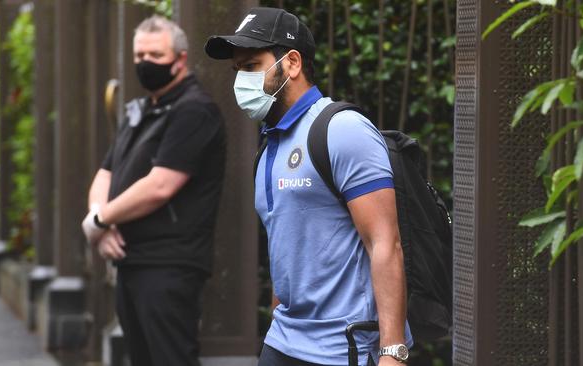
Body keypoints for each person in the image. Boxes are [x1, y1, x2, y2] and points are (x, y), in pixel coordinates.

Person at [205, 7, 412, 366]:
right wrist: (275, 325)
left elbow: (385, 242)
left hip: (342, 347)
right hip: (283, 342)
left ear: (293, 63)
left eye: (252, 66)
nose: (241, 80)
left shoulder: (343, 130)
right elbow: (284, 246)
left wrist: (392, 353)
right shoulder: (270, 145)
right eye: (237, 69)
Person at [81, 15, 226, 366]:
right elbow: (106, 172)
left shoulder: (195, 110)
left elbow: (161, 185)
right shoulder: (144, 109)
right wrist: (99, 223)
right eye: (139, 56)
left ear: (181, 59)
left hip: (169, 265)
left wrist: (100, 220)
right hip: (132, 261)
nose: (146, 63)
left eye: (155, 56)